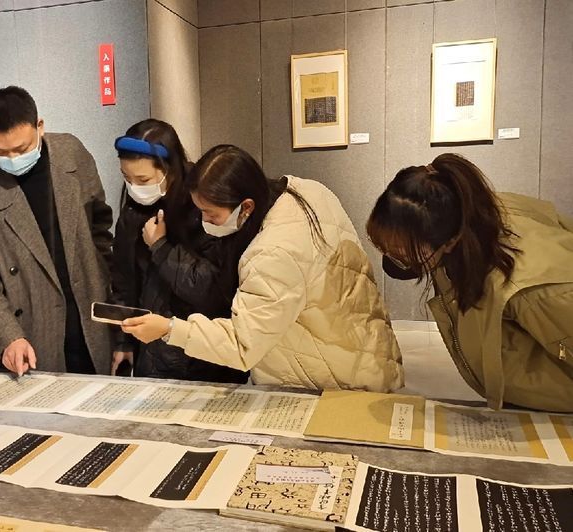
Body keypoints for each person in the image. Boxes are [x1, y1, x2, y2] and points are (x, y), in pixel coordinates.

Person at [122, 145, 403, 391]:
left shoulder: (272, 254)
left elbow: (243, 344)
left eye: (211, 214)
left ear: (246, 207)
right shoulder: (305, 191)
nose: (205, 221)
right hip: (363, 350)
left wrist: (169, 329)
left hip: (333, 378)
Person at [366, 153, 573, 412]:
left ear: (450, 241)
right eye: (382, 245)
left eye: (404, 253)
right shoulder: (465, 212)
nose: (392, 258)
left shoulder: (533, 290)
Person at [0, 86, 113, 376]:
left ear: (40, 126)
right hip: (32, 330)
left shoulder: (71, 153)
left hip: (89, 312)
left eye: (22, 148)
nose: (13, 158)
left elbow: (99, 222)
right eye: (1, 152)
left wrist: (100, 276)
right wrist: (8, 336)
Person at [110, 120, 248, 383]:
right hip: (151, 354)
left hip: (205, 355)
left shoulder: (204, 207)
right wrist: (123, 341)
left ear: (169, 170)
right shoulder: (133, 212)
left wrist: (160, 247)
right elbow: (124, 280)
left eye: (143, 179)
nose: (134, 187)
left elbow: (209, 289)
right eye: (126, 178)